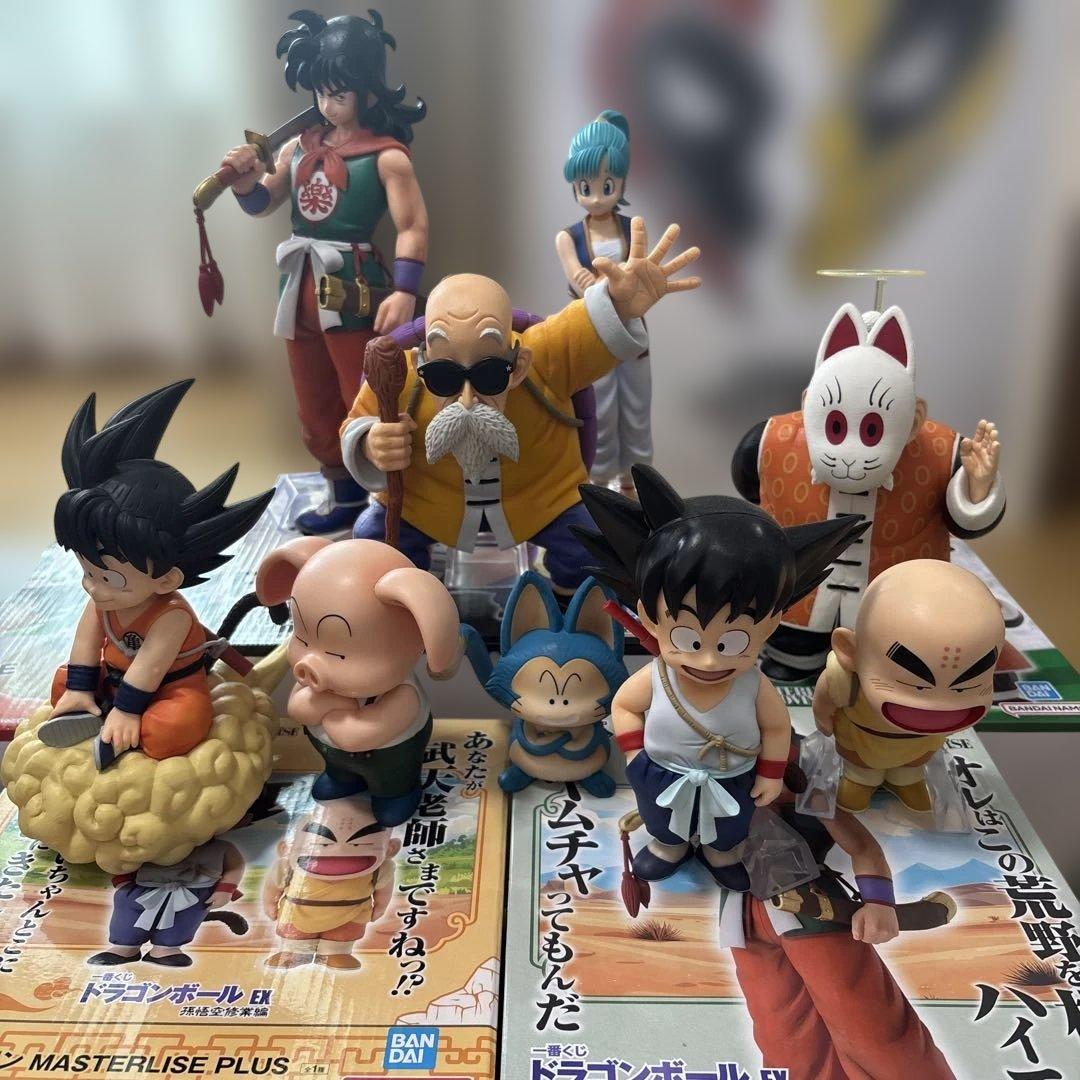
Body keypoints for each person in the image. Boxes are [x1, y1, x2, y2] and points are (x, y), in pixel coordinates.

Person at [342, 218, 700, 593]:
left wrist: (620, 305)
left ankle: (570, 604)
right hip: (427, 505)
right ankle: (408, 597)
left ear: (519, 363)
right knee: (373, 539)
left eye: (489, 375)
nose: (467, 398)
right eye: (444, 377)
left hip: (540, 501)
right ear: (422, 361)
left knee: (593, 546)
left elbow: (587, 326)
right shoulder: (399, 376)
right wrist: (370, 443)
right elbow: (356, 422)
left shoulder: (543, 358)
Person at [576, 465, 868, 889]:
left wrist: (771, 773)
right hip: (662, 772)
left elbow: (776, 726)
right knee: (662, 821)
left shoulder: (753, 685)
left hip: (734, 778)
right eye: (688, 639)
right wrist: (635, 753)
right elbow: (623, 705)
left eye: (733, 642)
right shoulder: (657, 677)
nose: (710, 661)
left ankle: (722, 853)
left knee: (729, 828)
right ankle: (668, 847)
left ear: (770, 625)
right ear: (649, 618)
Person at [223, 10, 428, 534]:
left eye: (338, 93)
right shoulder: (298, 147)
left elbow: (411, 226)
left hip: (354, 287)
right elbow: (264, 201)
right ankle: (343, 495)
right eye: (320, 92)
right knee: (313, 399)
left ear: (366, 89)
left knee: (362, 392)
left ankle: (384, 498)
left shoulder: (387, 158)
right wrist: (245, 183)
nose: (326, 104)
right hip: (298, 287)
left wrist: (405, 291)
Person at [732, 302, 1004, 681]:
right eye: (836, 426)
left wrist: (977, 486)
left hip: (900, 609)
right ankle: (796, 653)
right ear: (809, 403)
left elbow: (966, 523)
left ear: (914, 420)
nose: (850, 454)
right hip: (796, 600)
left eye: (872, 430)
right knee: (791, 650)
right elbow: (748, 487)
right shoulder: (770, 441)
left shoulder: (944, 453)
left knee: (895, 653)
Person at [40, 381, 273, 771]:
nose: (92, 586)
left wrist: (128, 710)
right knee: (62, 684)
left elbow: (150, 665)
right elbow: (86, 642)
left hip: (171, 687)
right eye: (86, 569)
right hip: (114, 680)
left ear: (166, 580)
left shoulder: (172, 616)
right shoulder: (102, 600)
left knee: (173, 728)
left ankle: (120, 725)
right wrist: (80, 688)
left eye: (110, 578)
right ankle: (94, 712)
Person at [813, 559, 1005, 813]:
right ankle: (860, 780)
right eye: (917, 685)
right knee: (862, 769)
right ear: (850, 650)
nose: (937, 706)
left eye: (962, 688)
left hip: (919, 747)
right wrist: (823, 720)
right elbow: (824, 701)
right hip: (863, 741)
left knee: (910, 768)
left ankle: (906, 780)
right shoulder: (844, 678)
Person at [556, 110, 651, 493]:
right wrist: (611, 287)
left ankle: (635, 481)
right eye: (586, 187)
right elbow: (578, 279)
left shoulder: (633, 229)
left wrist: (625, 287)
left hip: (633, 328)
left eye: (606, 185)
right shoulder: (568, 238)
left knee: (637, 404)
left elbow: (639, 273)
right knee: (601, 406)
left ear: (621, 181)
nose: (595, 197)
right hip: (593, 329)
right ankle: (599, 480)